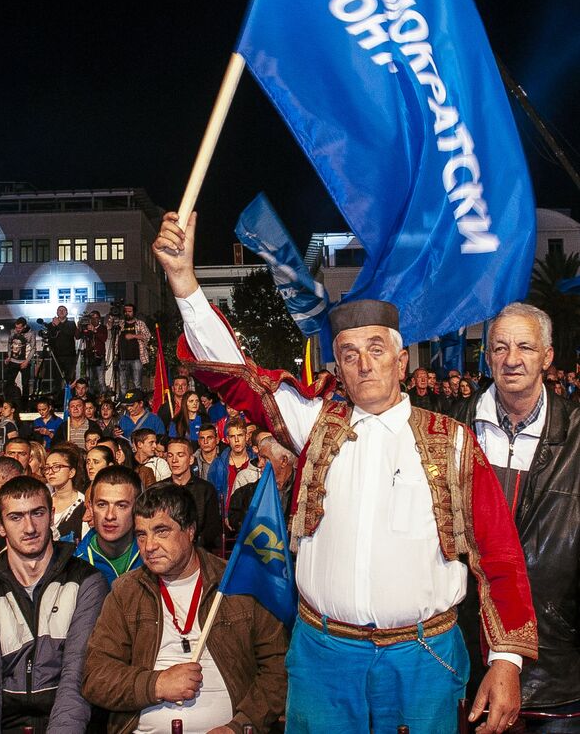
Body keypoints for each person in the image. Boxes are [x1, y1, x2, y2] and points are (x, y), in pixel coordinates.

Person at [152, 210, 539, 734]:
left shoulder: (452, 442)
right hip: (323, 657)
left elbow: (501, 555)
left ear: (401, 362)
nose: (364, 364)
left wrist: (507, 662)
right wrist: (185, 283)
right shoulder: (313, 422)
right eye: (349, 354)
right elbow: (237, 376)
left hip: (423, 659)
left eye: (377, 350)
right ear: (337, 364)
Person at [455, 302, 580, 732]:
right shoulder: (451, 429)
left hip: (556, 667)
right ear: (487, 356)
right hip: (465, 656)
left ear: (547, 357)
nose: (511, 360)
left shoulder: (579, 433)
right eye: (500, 347)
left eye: (525, 347)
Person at [82, 482, 288, 733]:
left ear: (190, 530)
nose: (149, 546)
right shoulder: (126, 592)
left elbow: (277, 667)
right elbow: (96, 677)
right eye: (141, 534)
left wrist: (240, 725)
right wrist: (157, 684)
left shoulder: (236, 584)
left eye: (161, 531)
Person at [0, 475, 108, 732]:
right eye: (16, 517)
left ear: (51, 515)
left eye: (37, 513)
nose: (29, 528)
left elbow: (76, 677)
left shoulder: (86, 581)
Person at [75, 465, 143, 588]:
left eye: (121, 505)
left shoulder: (152, 556)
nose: (110, 515)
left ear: (137, 508)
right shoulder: (75, 564)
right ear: (90, 507)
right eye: (102, 505)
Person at [228, 435, 296, 533]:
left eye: (265, 458)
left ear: (284, 461)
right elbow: (237, 521)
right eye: (260, 457)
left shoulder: (303, 493)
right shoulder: (243, 496)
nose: (259, 464)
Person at [166, 438, 221, 550]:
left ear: (191, 459)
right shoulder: (160, 490)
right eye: (170, 456)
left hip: (198, 550)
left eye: (180, 455)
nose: (174, 460)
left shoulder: (206, 489)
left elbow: (212, 528)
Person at [208, 416, 254, 519]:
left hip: (251, 519)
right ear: (228, 439)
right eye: (233, 436)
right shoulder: (217, 465)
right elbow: (212, 497)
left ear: (246, 437)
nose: (237, 440)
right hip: (224, 519)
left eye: (240, 435)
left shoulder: (256, 463)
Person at [45, 447, 85, 542]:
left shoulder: (83, 504)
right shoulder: (44, 501)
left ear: (71, 472)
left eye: (56, 467)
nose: (50, 472)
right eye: (47, 468)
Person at [113, 303, 151, 395]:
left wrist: (133, 336)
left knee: (137, 383)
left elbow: (147, 336)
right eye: (125, 311)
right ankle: (124, 402)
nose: (127, 313)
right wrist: (112, 317)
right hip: (122, 359)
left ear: (134, 312)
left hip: (136, 359)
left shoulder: (140, 323)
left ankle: (137, 402)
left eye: (129, 311)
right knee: (123, 384)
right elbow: (109, 327)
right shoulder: (120, 324)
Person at [4, 316, 36, 407]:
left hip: (24, 361)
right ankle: (8, 402)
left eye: (20, 328)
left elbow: (33, 349)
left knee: (25, 384)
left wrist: (26, 361)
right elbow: (9, 343)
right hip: (13, 361)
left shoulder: (30, 334)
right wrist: (9, 357)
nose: (17, 329)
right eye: (16, 327)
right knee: (9, 382)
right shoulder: (12, 332)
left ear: (24, 326)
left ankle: (25, 405)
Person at [45, 304, 79, 384]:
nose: (61, 312)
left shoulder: (71, 323)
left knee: (70, 379)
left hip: (69, 356)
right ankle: (58, 395)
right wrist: (53, 326)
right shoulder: (51, 324)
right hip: (56, 356)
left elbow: (70, 333)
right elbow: (50, 339)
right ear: (56, 312)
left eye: (63, 310)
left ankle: (70, 395)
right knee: (57, 379)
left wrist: (59, 324)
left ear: (67, 313)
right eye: (59, 310)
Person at [80, 309, 108, 395]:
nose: (94, 319)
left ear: (99, 319)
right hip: (89, 356)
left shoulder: (103, 328)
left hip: (99, 356)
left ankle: (103, 398)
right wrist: (79, 326)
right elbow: (78, 336)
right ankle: (90, 398)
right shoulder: (86, 328)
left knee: (101, 380)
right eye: (92, 317)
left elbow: (104, 339)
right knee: (90, 380)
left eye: (96, 317)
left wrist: (94, 331)